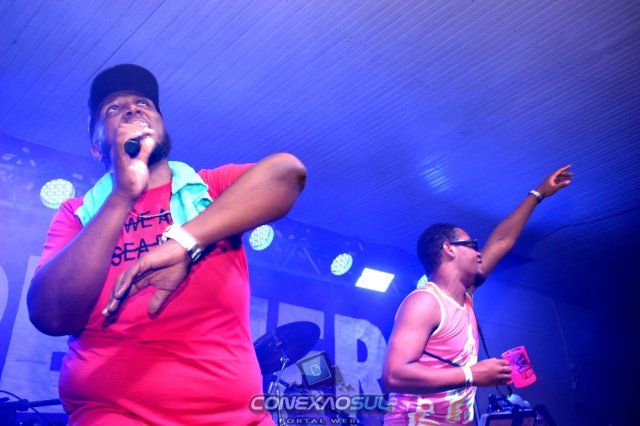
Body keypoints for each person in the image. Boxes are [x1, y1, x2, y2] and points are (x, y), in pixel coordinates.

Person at [27, 64, 307, 425]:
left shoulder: (209, 189)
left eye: (144, 103)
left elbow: (287, 172)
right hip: (116, 413)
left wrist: (185, 241)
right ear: (97, 148)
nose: (133, 109)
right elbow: (50, 315)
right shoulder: (78, 214)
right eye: (113, 108)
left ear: (161, 127)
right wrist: (122, 196)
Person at [382, 165, 573, 425]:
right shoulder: (425, 302)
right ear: (449, 249)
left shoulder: (465, 296)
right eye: (472, 245)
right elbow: (394, 375)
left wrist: (538, 194)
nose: (479, 252)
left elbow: (501, 242)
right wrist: (471, 374)